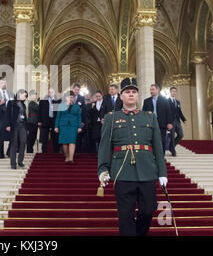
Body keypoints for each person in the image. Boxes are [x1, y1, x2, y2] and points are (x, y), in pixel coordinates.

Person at [98, 78, 168, 236]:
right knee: (125, 216)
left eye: (134, 92)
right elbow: (104, 147)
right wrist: (103, 169)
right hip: (122, 172)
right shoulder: (111, 118)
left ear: (138, 96)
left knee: (149, 210)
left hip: (147, 171)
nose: (131, 95)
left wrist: (162, 172)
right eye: (127, 92)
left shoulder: (149, 117)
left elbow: (158, 147)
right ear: (121, 96)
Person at [142, 84, 174, 155]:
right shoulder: (146, 101)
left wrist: (169, 123)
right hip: (149, 124)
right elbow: (143, 113)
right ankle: (151, 155)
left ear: (157, 90)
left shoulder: (164, 100)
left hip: (162, 123)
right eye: (150, 90)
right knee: (151, 139)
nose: (151, 91)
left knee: (162, 140)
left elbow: (168, 112)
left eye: (152, 89)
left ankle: (161, 155)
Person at [55, 91, 82, 163]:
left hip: (73, 126)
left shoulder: (77, 107)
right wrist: (56, 126)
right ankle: (67, 156)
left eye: (72, 97)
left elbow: (79, 117)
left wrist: (79, 127)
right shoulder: (61, 105)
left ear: (74, 98)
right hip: (63, 126)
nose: (71, 98)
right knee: (64, 142)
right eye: (69, 97)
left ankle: (71, 158)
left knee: (72, 142)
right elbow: (58, 117)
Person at [5, 89, 28, 169]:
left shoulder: (24, 105)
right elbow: (7, 115)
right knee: (14, 144)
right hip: (14, 125)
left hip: (22, 125)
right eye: (24, 95)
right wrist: (7, 125)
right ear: (19, 94)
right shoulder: (11, 103)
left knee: (23, 141)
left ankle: (20, 161)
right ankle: (13, 163)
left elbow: (25, 116)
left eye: (26, 96)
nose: (25, 97)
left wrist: (27, 128)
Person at [38, 88, 61, 153]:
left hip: (54, 121)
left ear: (54, 93)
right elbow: (39, 111)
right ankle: (44, 152)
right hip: (45, 121)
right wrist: (39, 120)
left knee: (55, 137)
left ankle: (56, 152)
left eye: (52, 92)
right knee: (44, 137)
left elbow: (59, 112)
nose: (50, 93)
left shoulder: (58, 101)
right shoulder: (43, 101)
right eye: (49, 92)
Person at [72, 83, 86, 153]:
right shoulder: (68, 96)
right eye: (75, 89)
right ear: (72, 89)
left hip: (78, 120)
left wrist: (83, 121)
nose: (76, 91)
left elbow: (84, 111)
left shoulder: (82, 98)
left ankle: (77, 151)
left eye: (78, 90)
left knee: (78, 137)